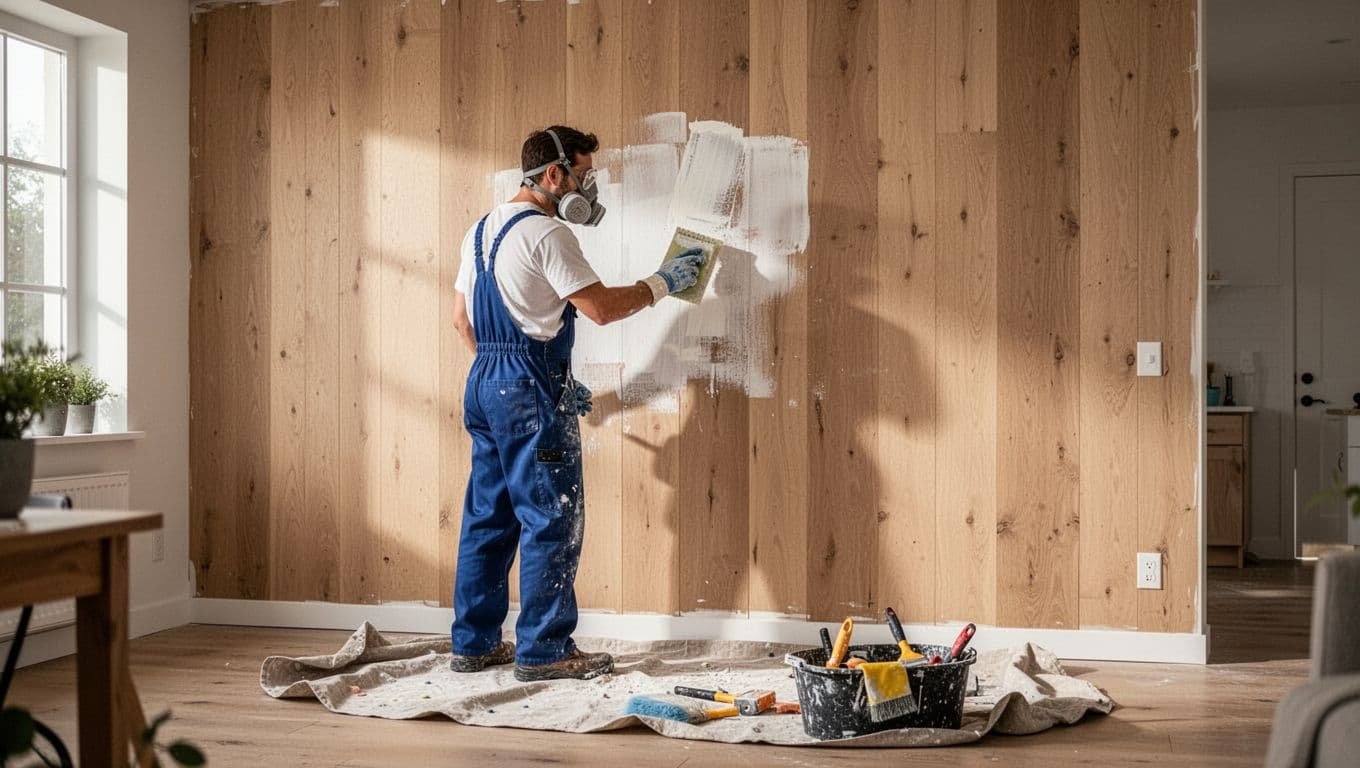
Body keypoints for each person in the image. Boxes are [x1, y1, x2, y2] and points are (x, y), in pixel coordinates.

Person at [448, 125, 705, 681]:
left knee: (487, 517)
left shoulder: (478, 230)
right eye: (585, 176)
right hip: (527, 387)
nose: (589, 191)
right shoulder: (547, 234)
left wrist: (500, 373)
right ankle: (543, 652)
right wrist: (664, 281)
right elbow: (601, 309)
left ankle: (473, 645)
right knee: (550, 520)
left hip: (485, 381)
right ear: (554, 175)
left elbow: (461, 320)